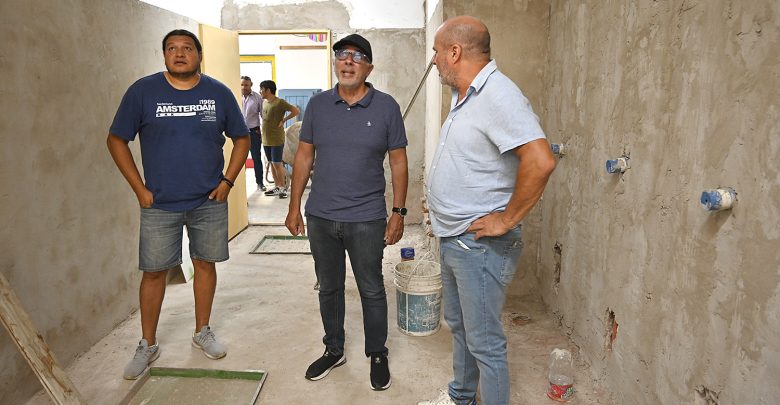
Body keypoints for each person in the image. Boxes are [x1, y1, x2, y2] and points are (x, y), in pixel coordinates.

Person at [418, 16, 556, 405]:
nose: (434, 60)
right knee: (461, 327)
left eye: (436, 51)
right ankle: (462, 397)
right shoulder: (465, 95)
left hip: (478, 245)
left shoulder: (498, 95)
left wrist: (506, 218)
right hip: (455, 238)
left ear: (455, 52)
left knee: (485, 342)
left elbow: (540, 160)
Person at [106, 29, 250, 380]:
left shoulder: (218, 93)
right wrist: (139, 189)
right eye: (172, 48)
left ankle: (203, 331)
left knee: (204, 264)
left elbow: (242, 138)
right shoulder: (142, 92)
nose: (179, 53)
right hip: (159, 204)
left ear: (199, 55)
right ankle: (147, 344)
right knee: (154, 271)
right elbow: (116, 140)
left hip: (208, 201)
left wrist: (227, 182)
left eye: (187, 48)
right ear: (164, 56)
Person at [285, 33, 408, 391]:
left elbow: (398, 162)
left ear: (369, 66)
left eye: (357, 56)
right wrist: (294, 207)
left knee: (371, 288)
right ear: (335, 62)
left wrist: (398, 211)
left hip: (367, 217)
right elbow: (304, 155)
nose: (348, 61)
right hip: (321, 215)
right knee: (329, 288)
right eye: (341, 55)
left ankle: (377, 353)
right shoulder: (319, 106)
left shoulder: (386, 107)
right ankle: (333, 349)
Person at [259, 80, 299, 199]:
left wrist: (284, 120)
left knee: (277, 163)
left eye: (261, 89)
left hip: (277, 138)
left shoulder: (279, 102)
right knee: (271, 162)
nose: (260, 91)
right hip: (266, 139)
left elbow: (296, 111)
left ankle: (282, 188)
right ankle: (277, 186)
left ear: (268, 90)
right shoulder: (265, 103)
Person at [241, 75, 266, 191]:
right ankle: (241, 185)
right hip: (240, 132)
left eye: (246, 85)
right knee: (240, 159)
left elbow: (263, 115)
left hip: (253, 132)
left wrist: (263, 132)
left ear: (251, 85)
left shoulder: (257, 98)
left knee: (256, 158)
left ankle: (260, 182)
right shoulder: (236, 96)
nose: (243, 87)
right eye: (242, 84)